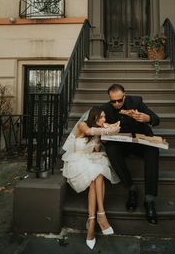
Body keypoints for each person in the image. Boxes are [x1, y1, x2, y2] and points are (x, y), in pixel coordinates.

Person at [62, 106, 120, 249]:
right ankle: (101, 215)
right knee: (97, 172)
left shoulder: (98, 132)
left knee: (97, 174)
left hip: (91, 160)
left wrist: (105, 135)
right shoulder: (83, 125)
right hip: (76, 162)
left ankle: (92, 222)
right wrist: (109, 129)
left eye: (105, 117)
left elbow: (96, 149)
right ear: (93, 117)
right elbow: (88, 131)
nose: (104, 120)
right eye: (101, 117)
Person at [101, 83, 160, 225]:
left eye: (119, 100)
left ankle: (149, 200)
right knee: (111, 149)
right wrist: (106, 129)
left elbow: (156, 119)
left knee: (153, 150)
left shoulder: (136, 102)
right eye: (113, 101)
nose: (116, 104)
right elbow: (97, 127)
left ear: (124, 96)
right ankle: (131, 189)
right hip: (122, 144)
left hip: (140, 142)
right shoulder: (105, 109)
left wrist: (147, 118)